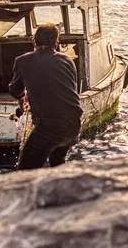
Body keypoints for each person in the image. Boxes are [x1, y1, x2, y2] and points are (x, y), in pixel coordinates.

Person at [8, 23, 83, 170]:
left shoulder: (22, 61)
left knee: (25, 172)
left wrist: (21, 101)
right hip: (74, 125)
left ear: (34, 41)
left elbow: (15, 91)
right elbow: (69, 89)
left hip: (48, 127)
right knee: (57, 162)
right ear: (56, 43)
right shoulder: (67, 61)